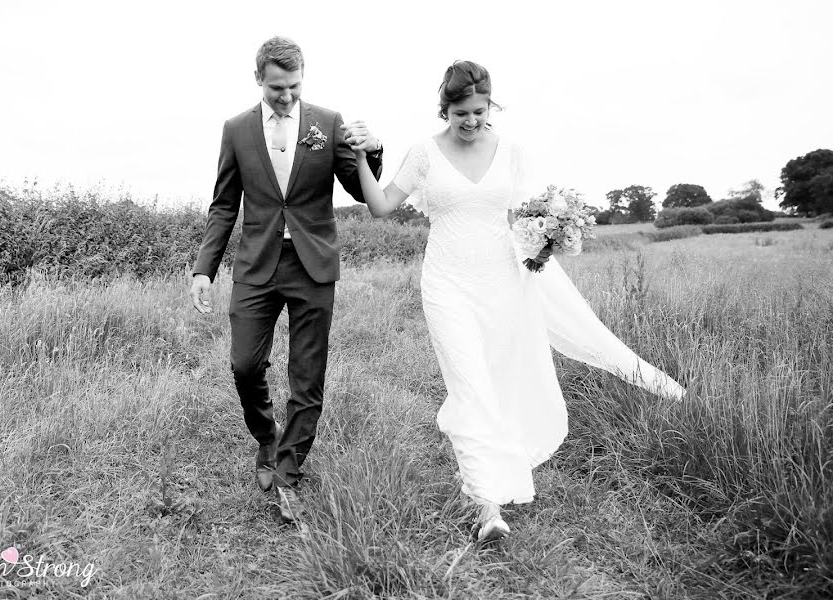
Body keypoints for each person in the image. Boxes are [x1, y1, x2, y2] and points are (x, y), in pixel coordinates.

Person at [352, 61, 685, 543]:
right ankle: (486, 505)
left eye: (479, 112)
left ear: (492, 106)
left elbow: (528, 217)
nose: (470, 122)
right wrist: (363, 157)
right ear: (444, 109)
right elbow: (381, 206)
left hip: (506, 282)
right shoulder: (424, 153)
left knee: (502, 381)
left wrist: (551, 237)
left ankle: (497, 469)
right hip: (446, 283)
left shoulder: (513, 152)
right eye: (460, 113)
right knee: (469, 385)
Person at [189, 37, 384, 523]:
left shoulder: (328, 122)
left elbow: (361, 191)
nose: (288, 97)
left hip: (313, 263)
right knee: (244, 365)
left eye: (295, 86)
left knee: (307, 375)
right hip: (257, 265)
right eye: (278, 88)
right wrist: (204, 268)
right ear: (259, 79)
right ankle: (267, 438)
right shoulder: (236, 130)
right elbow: (223, 205)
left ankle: (288, 471)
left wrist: (373, 151)